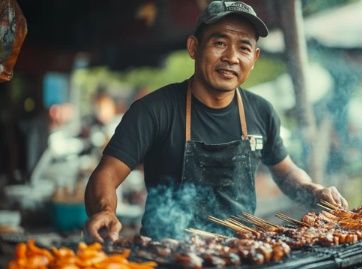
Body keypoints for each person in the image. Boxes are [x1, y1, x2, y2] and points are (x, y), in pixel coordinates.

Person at [85, 0, 348, 242]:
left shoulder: (261, 111)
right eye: (220, 43)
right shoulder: (153, 111)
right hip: (168, 254)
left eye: (244, 47)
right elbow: (106, 174)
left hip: (242, 252)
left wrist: (314, 191)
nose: (231, 57)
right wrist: (105, 211)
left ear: (254, 58)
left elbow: (286, 172)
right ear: (194, 48)